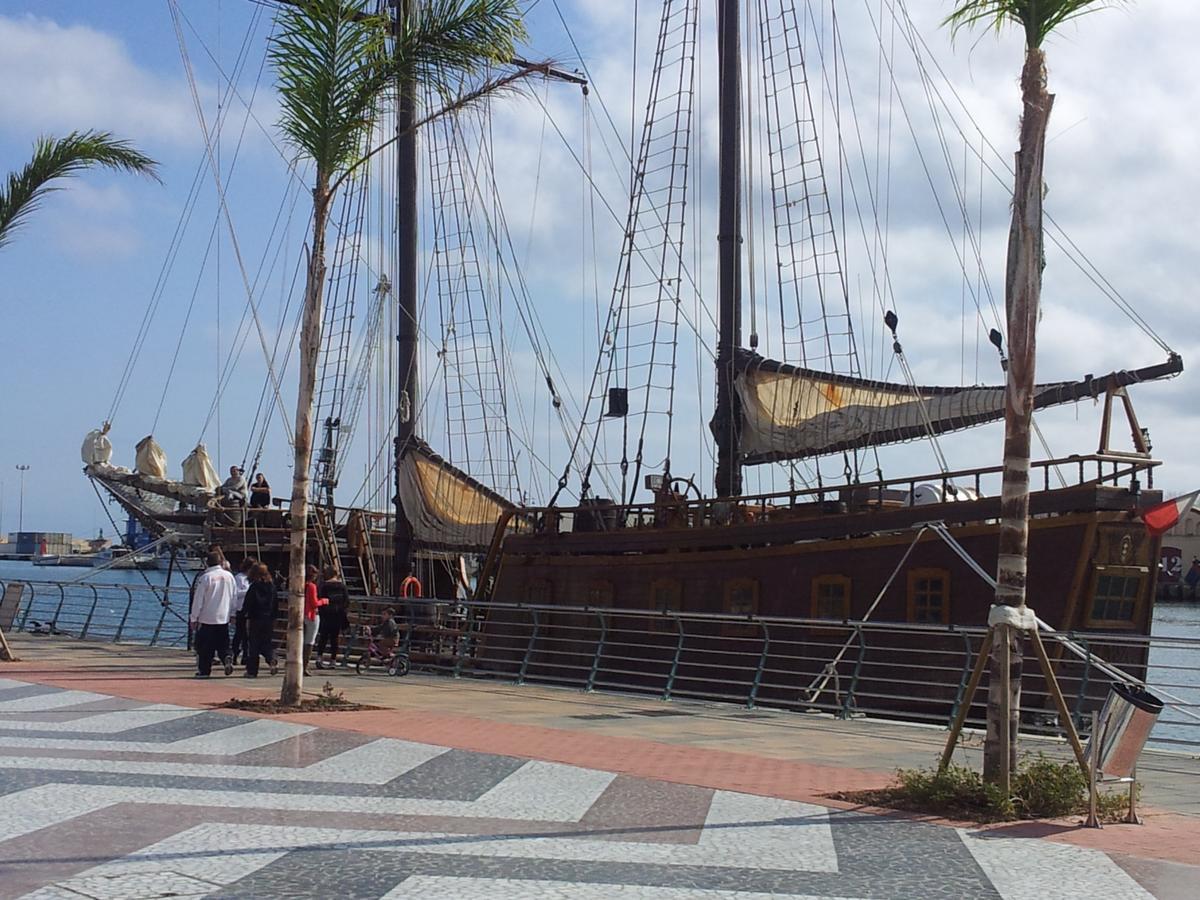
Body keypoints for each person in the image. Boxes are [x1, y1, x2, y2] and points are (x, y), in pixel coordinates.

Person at [190, 551, 236, 677]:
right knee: (223, 642)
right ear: (220, 562)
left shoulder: (206, 577)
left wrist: (194, 618)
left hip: (207, 617)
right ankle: (226, 656)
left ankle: (205, 671)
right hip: (224, 616)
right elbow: (234, 596)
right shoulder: (229, 576)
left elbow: (198, 599)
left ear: (207, 562)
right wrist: (232, 613)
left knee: (205, 647)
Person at [242, 562, 279, 677]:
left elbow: (248, 602)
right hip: (268, 618)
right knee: (266, 642)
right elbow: (275, 603)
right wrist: (274, 617)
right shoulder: (272, 586)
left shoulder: (254, 586)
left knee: (254, 645)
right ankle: (271, 658)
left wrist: (244, 614)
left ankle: (252, 671)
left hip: (255, 618)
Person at [315, 566, 349, 669]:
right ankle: (333, 660)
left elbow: (321, 599)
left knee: (323, 637)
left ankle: (319, 657)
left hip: (326, 614)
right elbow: (346, 601)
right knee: (335, 638)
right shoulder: (342, 586)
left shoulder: (324, 586)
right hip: (338, 614)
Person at [303, 564, 328, 675]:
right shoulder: (312, 586)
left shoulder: (301, 585)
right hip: (311, 615)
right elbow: (314, 603)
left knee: (301, 640)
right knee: (310, 642)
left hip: (301, 614)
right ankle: (304, 666)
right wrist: (323, 601)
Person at [230, 557, 255, 665]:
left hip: (250, 610)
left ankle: (246, 656)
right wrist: (248, 591)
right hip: (241, 609)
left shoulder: (253, 579)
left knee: (248, 635)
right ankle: (234, 654)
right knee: (239, 634)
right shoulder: (239, 578)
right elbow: (236, 593)